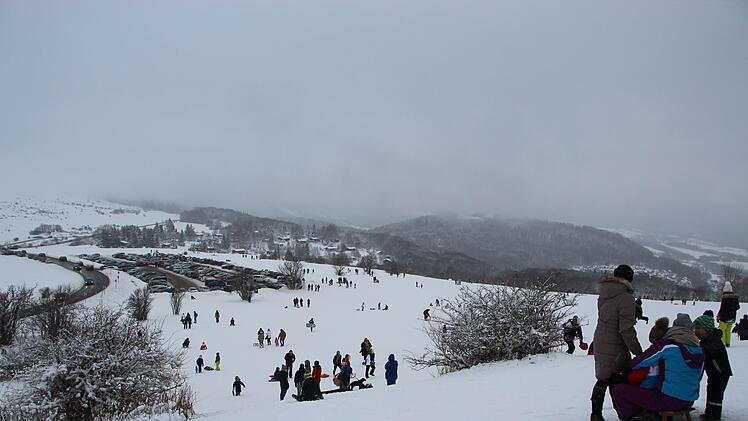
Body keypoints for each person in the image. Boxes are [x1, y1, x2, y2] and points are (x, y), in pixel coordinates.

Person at [611, 313, 704, 420]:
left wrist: (627, 366)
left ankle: (634, 417)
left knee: (618, 390)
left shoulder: (669, 346)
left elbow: (639, 362)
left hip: (667, 400)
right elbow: (699, 376)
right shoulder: (700, 350)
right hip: (689, 400)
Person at [590, 264, 643, 421]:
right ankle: (626, 412)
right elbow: (626, 329)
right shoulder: (626, 298)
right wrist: (638, 352)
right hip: (616, 344)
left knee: (604, 377)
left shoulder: (605, 293)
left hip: (601, 339)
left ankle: (596, 414)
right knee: (619, 378)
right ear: (630, 278)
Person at [694, 313, 732, 420]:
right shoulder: (705, 340)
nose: (695, 330)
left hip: (721, 372)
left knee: (716, 395)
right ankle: (709, 412)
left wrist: (700, 350)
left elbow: (709, 351)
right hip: (713, 373)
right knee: (711, 391)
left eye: (698, 328)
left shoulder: (714, 340)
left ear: (706, 329)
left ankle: (714, 415)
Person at [717, 282, 740, 347]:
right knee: (728, 331)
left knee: (722, 330)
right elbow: (738, 307)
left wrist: (719, 316)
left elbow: (722, 309)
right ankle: (728, 343)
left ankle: (723, 343)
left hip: (724, 317)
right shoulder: (735, 299)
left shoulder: (725, 299)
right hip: (732, 317)